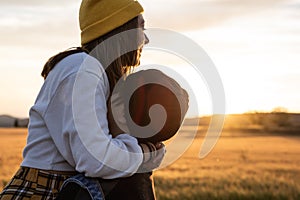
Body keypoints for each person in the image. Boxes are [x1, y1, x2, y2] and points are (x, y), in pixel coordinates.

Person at [0, 0, 165, 199]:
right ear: (122, 29)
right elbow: (95, 160)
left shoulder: (93, 71)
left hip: (62, 187)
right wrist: (143, 155)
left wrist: (144, 154)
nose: (145, 39)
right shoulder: (82, 69)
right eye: (141, 27)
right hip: (45, 191)